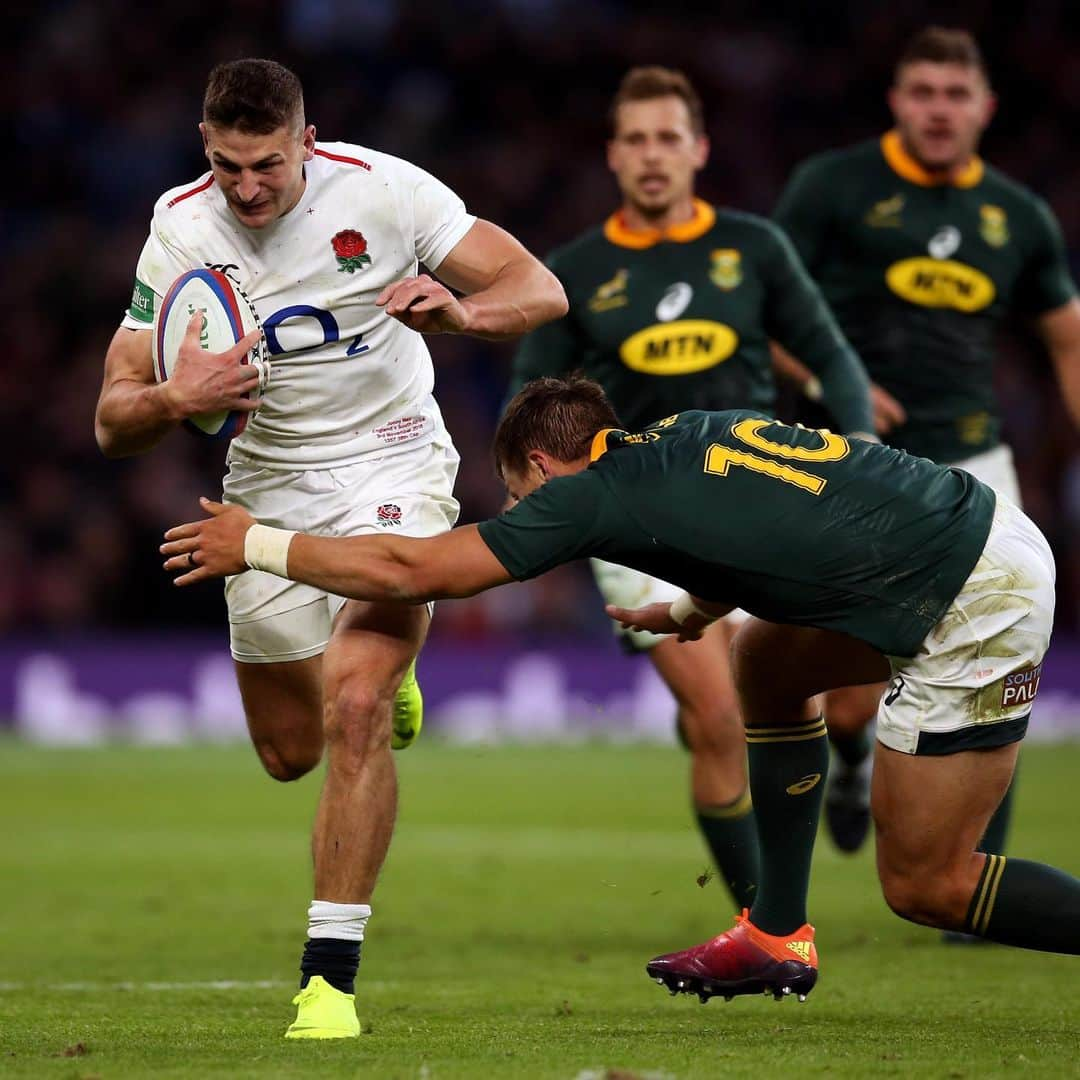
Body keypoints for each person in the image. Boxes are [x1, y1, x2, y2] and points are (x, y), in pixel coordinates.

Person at [162, 376, 1080, 1004]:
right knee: (762, 663)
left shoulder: (586, 494)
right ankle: (775, 936)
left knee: (927, 884)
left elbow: (413, 570)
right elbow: (770, 527)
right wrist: (689, 614)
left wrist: (260, 544)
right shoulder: (684, 436)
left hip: (970, 600)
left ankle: (787, 932)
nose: (529, 519)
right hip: (972, 533)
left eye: (522, 497)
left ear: (543, 468)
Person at [94, 58, 566, 1039]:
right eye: (229, 166)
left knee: (353, 707)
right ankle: (380, 668)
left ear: (305, 143)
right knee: (287, 753)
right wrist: (179, 400)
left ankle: (329, 981)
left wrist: (465, 312)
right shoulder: (178, 227)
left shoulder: (385, 192)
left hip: (392, 464)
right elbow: (112, 419)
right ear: (205, 151)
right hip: (263, 489)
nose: (250, 187)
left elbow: (540, 288)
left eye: (267, 164)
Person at [509, 66, 876, 912]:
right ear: (611, 155)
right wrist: (537, 500)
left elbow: (829, 357)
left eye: (668, 137)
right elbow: (527, 403)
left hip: (763, 496)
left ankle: (854, 764)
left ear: (699, 149)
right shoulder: (574, 271)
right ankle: (763, 917)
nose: (652, 155)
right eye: (634, 139)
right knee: (718, 717)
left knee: (849, 704)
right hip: (636, 516)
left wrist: (854, 447)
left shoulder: (752, 247)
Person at [772, 26, 1080, 864]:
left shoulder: (1017, 217)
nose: (939, 111)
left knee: (997, 662)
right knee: (845, 692)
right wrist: (836, 384)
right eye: (923, 93)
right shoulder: (834, 187)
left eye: (955, 95)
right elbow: (767, 307)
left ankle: (975, 869)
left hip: (977, 461)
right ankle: (851, 758)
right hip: (853, 457)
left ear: (984, 107)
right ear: (897, 102)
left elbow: (1067, 335)